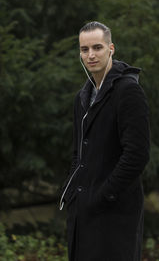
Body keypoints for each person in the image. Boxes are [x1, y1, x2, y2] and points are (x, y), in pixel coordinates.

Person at [59, 21, 150, 261]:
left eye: (97, 47)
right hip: (83, 212)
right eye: (84, 49)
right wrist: (74, 194)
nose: (90, 55)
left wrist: (103, 194)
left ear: (111, 48)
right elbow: (78, 153)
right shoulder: (82, 97)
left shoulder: (128, 91)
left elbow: (137, 155)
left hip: (114, 212)